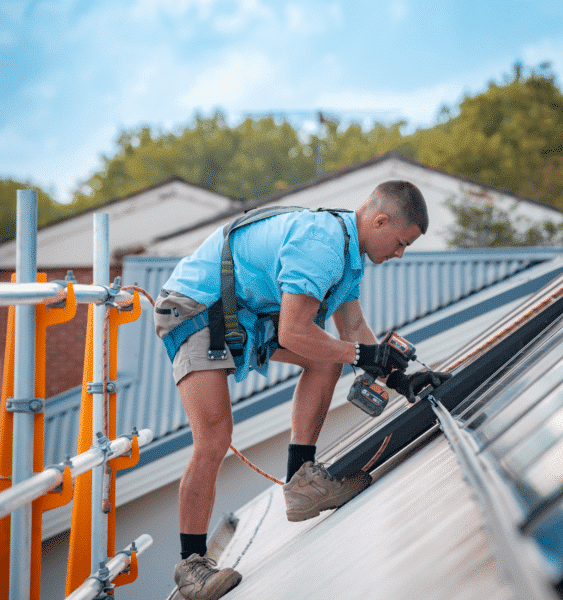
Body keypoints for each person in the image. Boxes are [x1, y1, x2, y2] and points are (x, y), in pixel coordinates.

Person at [154, 180, 450, 600]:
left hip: (244, 311)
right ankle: (191, 568)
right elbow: (295, 331)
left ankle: (301, 482)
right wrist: (365, 357)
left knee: (327, 356)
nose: (400, 254)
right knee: (215, 437)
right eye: (401, 242)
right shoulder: (322, 244)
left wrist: (403, 380)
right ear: (379, 220)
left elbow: (353, 333)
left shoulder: (348, 255)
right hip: (197, 307)